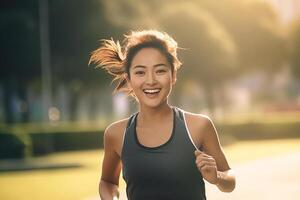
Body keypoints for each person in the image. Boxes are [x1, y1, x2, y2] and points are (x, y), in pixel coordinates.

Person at [89, 30, 236, 200]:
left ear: (173, 75)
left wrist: (217, 177)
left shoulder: (198, 126)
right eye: (140, 72)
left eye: (160, 71)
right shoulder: (116, 134)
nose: (151, 80)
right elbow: (108, 181)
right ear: (128, 79)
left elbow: (229, 180)